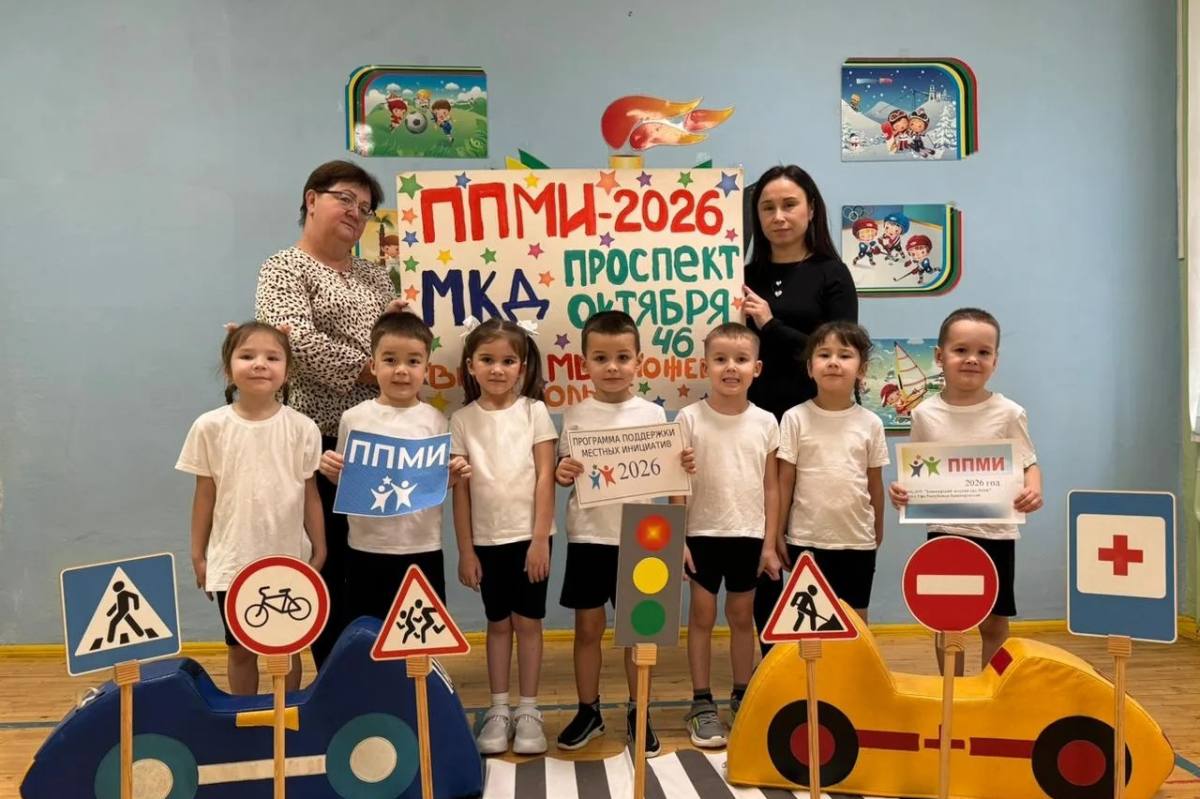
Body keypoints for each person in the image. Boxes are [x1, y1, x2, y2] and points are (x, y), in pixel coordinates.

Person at [255, 160, 405, 669]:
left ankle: (377, 669)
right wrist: (371, 369)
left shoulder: (376, 276)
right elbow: (294, 342)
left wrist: (398, 344)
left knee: (376, 557)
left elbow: (396, 345)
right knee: (329, 559)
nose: (356, 213)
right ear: (312, 199)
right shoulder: (284, 268)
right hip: (318, 443)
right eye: (345, 199)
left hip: (380, 438)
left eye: (365, 207)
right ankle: (336, 677)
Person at [553, 310, 695, 756]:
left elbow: (673, 477)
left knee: (640, 632)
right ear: (584, 363)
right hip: (589, 535)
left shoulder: (654, 414)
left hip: (645, 536)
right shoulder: (574, 415)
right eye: (600, 358)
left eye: (622, 357)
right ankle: (589, 710)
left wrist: (679, 536)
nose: (612, 367)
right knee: (588, 628)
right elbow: (564, 471)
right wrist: (562, 471)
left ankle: (640, 711)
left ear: (639, 361)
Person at [889, 308, 1043, 674]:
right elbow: (916, 471)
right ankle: (953, 693)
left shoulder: (1009, 412)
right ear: (940, 356)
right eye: (961, 350)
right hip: (945, 533)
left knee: (994, 622)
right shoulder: (924, 414)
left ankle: (991, 691)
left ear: (995, 361)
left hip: (996, 533)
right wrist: (902, 493)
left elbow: (1029, 463)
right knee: (947, 621)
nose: (972, 359)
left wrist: (1034, 489)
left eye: (983, 352)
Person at [742, 164, 857, 652]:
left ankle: (825, 659)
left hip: (817, 425)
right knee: (765, 541)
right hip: (757, 424)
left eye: (789, 205)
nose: (779, 216)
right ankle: (773, 660)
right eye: (767, 207)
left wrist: (769, 325)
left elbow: (838, 349)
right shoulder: (743, 275)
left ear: (811, 209)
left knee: (811, 537)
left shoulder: (832, 273)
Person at [176, 322, 326, 695]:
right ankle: (244, 716)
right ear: (229, 368)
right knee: (241, 649)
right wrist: (198, 555)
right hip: (233, 561)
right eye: (247, 355)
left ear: (287, 371)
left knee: (287, 650)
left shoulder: (303, 428)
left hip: (288, 558)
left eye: (272, 357)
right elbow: (205, 495)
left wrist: (320, 549)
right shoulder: (209, 427)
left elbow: (310, 495)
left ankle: (285, 716)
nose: (259, 364)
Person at [317, 312, 470, 620]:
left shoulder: (436, 421)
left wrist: (451, 478)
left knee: (421, 633)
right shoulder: (354, 418)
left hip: (422, 546)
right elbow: (347, 480)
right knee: (367, 632)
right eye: (390, 360)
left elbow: (433, 484)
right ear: (373, 365)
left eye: (413, 361)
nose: (401, 370)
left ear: (426, 369)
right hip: (365, 548)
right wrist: (331, 472)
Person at [451, 318, 557, 756]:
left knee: (528, 623)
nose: (498, 369)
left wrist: (539, 539)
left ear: (523, 366)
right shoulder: (461, 420)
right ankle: (499, 709)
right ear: (471, 365)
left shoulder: (534, 412)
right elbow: (460, 491)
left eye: (508, 361)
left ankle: (528, 710)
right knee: (497, 624)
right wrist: (466, 550)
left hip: (530, 539)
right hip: (486, 541)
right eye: (487, 360)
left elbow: (546, 476)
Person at [673, 323, 780, 748]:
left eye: (740, 360)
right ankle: (701, 702)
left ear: (757, 368)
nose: (730, 368)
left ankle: (741, 695)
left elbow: (771, 487)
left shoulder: (766, 421)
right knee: (701, 617)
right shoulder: (688, 418)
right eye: (720, 359)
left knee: (741, 618)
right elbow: (677, 482)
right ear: (706, 366)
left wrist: (769, 544)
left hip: (748, 534)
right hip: (701, 533)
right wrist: (678, 539)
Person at [777, 321, 888, 624]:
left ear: (861, 369)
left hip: (857, 539)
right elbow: (785, 481)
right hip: (806, 538)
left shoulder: (871, 423)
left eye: (845, 355)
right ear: (810, 368)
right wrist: (778, 533)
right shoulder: (794, 418)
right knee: (809, 624)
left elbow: (875, 483)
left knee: (854, 621)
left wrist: (878, 527)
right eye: (824, 354)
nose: (834, 362)